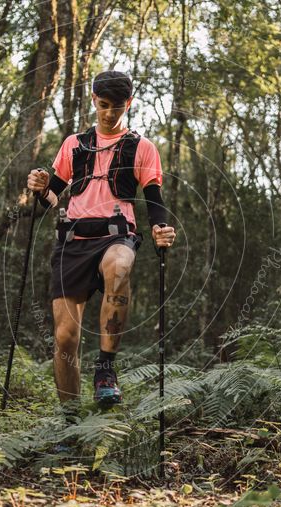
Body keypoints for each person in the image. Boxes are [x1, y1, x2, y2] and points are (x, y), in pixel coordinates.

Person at [27, 70, 176, 411]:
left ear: (129, 104)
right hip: (73, 239)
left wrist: (160, 228)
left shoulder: (142, 147)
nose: (110, 113)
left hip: (117, 234)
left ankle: (105, 369)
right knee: (65, 338)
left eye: (118, 107)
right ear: (94, 100)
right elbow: (52, 199)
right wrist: (40, 189)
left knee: (120, 266)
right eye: (104, 105)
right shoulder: (73, 145)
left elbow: (154, 198)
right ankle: (70, 422)